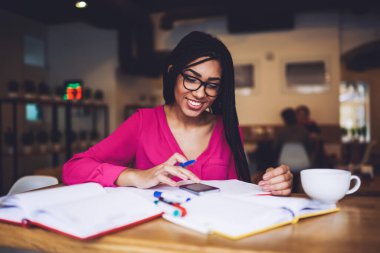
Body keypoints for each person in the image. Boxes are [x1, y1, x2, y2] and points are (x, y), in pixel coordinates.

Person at [62, 31, 293, 196]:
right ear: (173, 73)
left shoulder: (228, 129)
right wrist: (136, 176)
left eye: (212, 85)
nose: (200, 94)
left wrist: (271, 184)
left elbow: (237, 189)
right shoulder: (143, 122)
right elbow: (73, 168)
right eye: (192, 79)